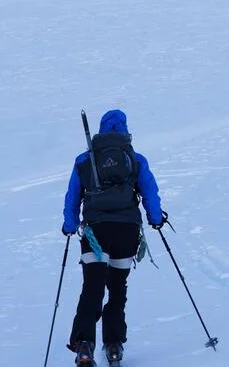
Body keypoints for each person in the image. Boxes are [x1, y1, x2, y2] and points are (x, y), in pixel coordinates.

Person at [62, 109, 165, 366]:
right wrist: (155, 219)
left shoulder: (85, 159)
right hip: (126, 231)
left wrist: (69, 224)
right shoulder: (135, 159)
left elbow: (73, 196)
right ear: (125, 130)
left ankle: (84, 345)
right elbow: (150, 191)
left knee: (92, 287)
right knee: (117, 288)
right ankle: (114, 345)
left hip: (95, 231)